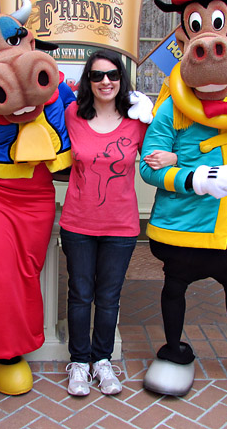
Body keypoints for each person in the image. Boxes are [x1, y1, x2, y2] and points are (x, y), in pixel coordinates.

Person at [59, 49, 176, 396]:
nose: (105, 81)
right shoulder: (71, 114)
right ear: (88, 81)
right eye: (97, 76)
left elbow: (161, 152)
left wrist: (174, 156)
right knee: (80, 294)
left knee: (109, 296)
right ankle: (79, 363)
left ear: (121, 79)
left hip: (121, 225)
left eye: (112, 75)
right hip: (78, 222)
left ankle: (102, 361)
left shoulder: (138, 119)